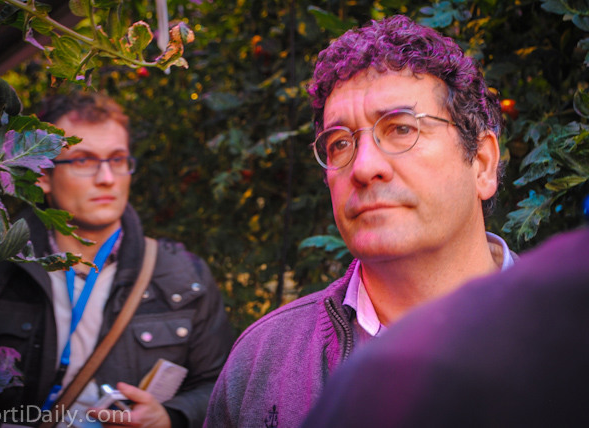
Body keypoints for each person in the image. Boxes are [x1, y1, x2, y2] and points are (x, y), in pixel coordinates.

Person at [204, 15, 518, 427]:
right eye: (340, 143)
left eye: (401, 128)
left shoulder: (571, 338)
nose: (364, 167)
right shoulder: (261, 364)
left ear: (482, 163)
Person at [0, 92, 233, 428]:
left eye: (117, 159)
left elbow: (221, 386)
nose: (107, 178)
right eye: (83, 161)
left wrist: (169, 416)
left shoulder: (183, 277)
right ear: (42, 175)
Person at [302, 225, 589, 428]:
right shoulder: (275, 351)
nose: (364, 168)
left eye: (404, 137)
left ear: (484, 166)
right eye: (339, 153)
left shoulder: (572, 326)